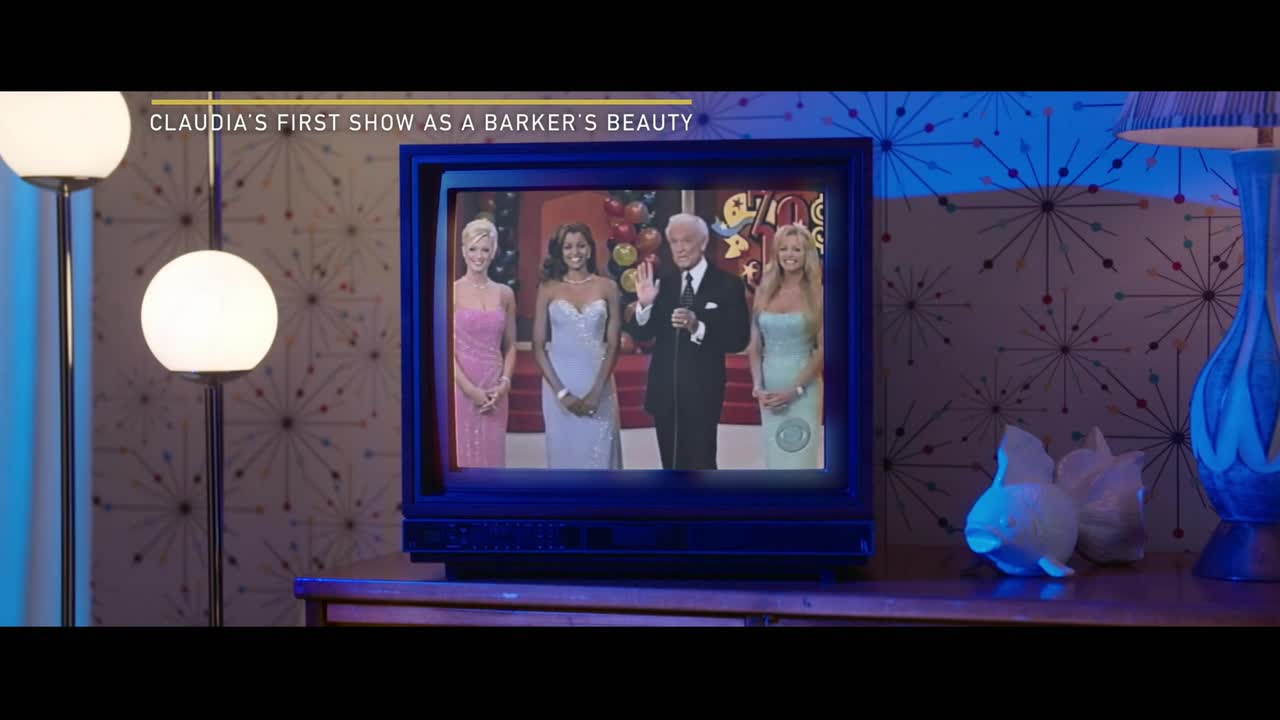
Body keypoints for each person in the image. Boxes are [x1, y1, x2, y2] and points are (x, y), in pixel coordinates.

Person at [627, 213, 750, 471]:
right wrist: (645, 305)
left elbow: (739, 339)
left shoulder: (727, 284)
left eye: (686, 240)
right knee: (670, 467)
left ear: (703, 243)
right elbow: (642, 334)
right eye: (674, 242)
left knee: (701, 466)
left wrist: (698, 327)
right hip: (665, 394)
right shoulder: (664, 284)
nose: (679, 248)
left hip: (702, 395)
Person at [532, 223, 623, 469]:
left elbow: (613, 344)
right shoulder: (548, 288)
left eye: (581, 246)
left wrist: (597, 391)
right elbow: (538, 346)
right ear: (560, 252)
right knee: (565, 458)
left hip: (599, 383)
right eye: (568, 247)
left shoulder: (608, 287)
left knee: (601, 457)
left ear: (590, 249)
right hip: (559, 385)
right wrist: (561, 393)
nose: (575, 252)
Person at [747, 223, 824, 469]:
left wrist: (795, 390)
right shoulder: (764, 291)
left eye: (797, 249)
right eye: (784, 249)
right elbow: (754, 345)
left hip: (803, 389)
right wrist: (758, 386)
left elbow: (823, 350)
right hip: (770, 389)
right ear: (776, 253)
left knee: (799, 460)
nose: (789, 255)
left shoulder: (819, 294)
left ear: (806, 255)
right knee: (776, 460)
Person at [452, 218, 516, 468]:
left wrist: (504, 385)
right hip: (461, 387)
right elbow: (443, 351)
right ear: (463, 251)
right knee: (462, 457)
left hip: (495, 390)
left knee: (493, 456)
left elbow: (510, 345)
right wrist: (470, 391)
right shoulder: (450, 292)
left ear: (494, 252)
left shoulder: (505, 293)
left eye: (485, 249)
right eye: (473, 249)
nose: (479, 256)